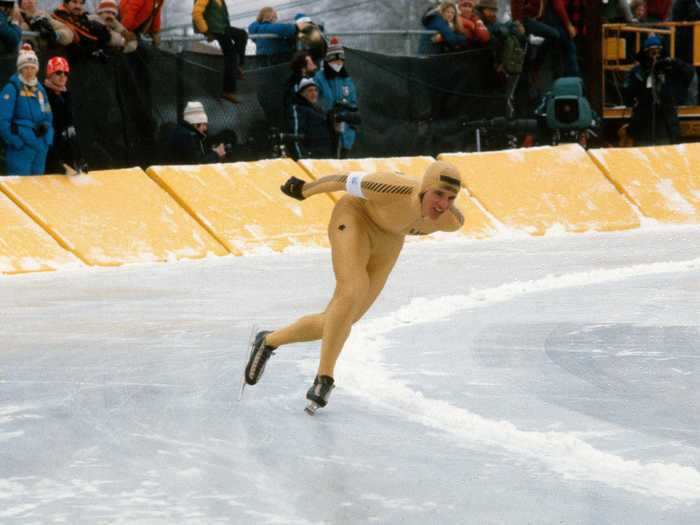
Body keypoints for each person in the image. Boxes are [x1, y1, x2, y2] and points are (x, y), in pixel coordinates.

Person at [243, 161, 465, 413]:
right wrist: (305, 189)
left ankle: (269, 340)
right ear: (424, 188)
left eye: (450, 198)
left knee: (342, 319)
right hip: (355, 218)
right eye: (438, 194)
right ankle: (324, 378)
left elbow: (438, 214)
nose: (442, 204)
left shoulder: (452, 220)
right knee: (351, 290)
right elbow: (342, 181)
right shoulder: (393, 188)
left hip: (389, 243)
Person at [623, 34, 694, 145]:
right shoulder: (637, 71)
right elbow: (627, 94)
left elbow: (689, 73)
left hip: (665, 124)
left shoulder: (669, 69)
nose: (655, 55)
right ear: (645, 52)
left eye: (658, 51)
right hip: (643, 125)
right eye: (652, 51)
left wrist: (673, 62)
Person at [0, 44, 53, 175]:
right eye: (26, 68)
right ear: (20, 70)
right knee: (21, 188)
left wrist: (47, 138)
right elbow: (2, 119)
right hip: (21, 149)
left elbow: (48, 115)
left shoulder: (40, 90)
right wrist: (16, 142)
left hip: (40, 148)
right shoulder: (12, 88)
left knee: (36, 189)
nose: (29, 71)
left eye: (32, 67)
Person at [193, 0, 248, 104]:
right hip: (215, 30)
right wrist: (205, 31)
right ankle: (228, 90)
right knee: (231, 55)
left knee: (242, 34)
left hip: (223, 28)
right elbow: (196, 13)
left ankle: (237, 66)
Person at [314, 37, 359, 158]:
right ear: (328, 61)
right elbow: (316, 100)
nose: (338, 64)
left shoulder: (346, 79)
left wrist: (348, 111)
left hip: (346, 130)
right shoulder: (319, 78)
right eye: (335, 61)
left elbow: (353, 101)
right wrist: (329, 110)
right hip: (326, 127)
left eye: (341, 61)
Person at [43, 56, 86, 175]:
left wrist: (78, 156)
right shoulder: (42, 93)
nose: (63, 76)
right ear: (49, 74)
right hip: (49, 151)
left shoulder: (66, 95)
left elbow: (70, 127)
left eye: (66, 73)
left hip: (64, 151)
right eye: (58, 72)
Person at [287, 77, 334, 159]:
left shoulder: (319, 110)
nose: (314, 93)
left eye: (316, 90)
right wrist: (302, 159)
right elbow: (295, 136)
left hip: (324, 156)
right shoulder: (298, 109)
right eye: (310, 90)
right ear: (302, 93)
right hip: (310, 158)